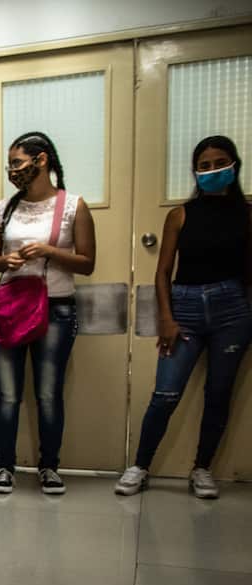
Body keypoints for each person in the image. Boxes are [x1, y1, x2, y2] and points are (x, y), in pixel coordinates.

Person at [116, 136, 252, 499]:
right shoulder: (179, 215)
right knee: (165, 394)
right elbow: (162, 273)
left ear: (234, 165)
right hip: (185, 307)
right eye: (204, 166)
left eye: (220, 163)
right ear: (195, 171)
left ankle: (202, 469)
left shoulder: (248, 214)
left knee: (219, 393)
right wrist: (166, 317)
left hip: (233, 309)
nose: (212, 171)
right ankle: (139, 466)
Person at [0, 131, 96, 495]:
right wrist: (7, 259)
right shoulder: (4, 208)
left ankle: (49, 467)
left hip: (56, 309)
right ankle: (4, 467)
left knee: (48, 394)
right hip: (10, 308)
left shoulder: (74, 206)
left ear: (42, 159)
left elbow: (88, 263)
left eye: (17, 162)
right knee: (8, 394)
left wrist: (49, 250)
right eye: (10, 164)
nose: (12, 170)